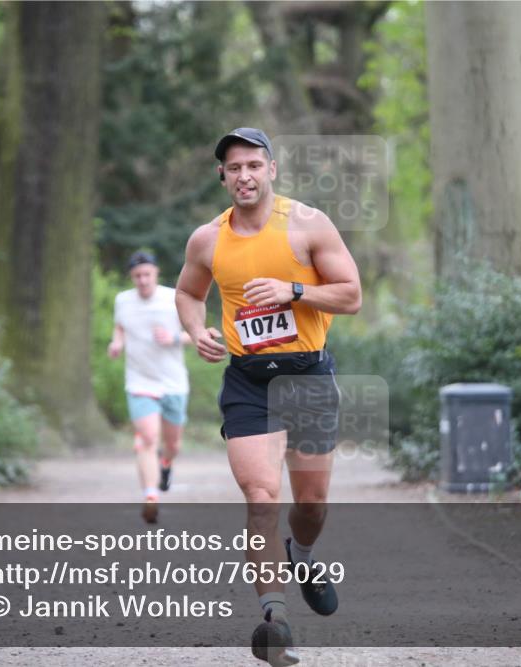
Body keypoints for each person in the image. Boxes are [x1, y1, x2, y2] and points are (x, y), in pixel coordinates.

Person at [176, 128, 361, 666]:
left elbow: (351, 294)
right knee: (261, 498)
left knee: (310, 504)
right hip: (248, 381)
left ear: (272, 170)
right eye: (234, 168)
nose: (244, 176)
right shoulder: (207, 239)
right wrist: (196, 329)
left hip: (307, 376)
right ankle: (275, 619)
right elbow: (188, 292)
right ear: (222, 176)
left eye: (254, 165)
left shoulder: (307, 224)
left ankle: (301, 555)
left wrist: (294, 290)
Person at [108, 251, 191, 524]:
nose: (143, 280)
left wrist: (173, 338)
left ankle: (166, 464)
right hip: (140, 381)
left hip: (173, 381)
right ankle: (151, 496)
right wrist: (117, 342)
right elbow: (120, 327)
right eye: (137, 276)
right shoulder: (123, 300)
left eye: (147, 274)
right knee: (147, 438)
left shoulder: (174, 298)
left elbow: (196, 332)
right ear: (131, 277)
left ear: (156, 273)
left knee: (172, 443)